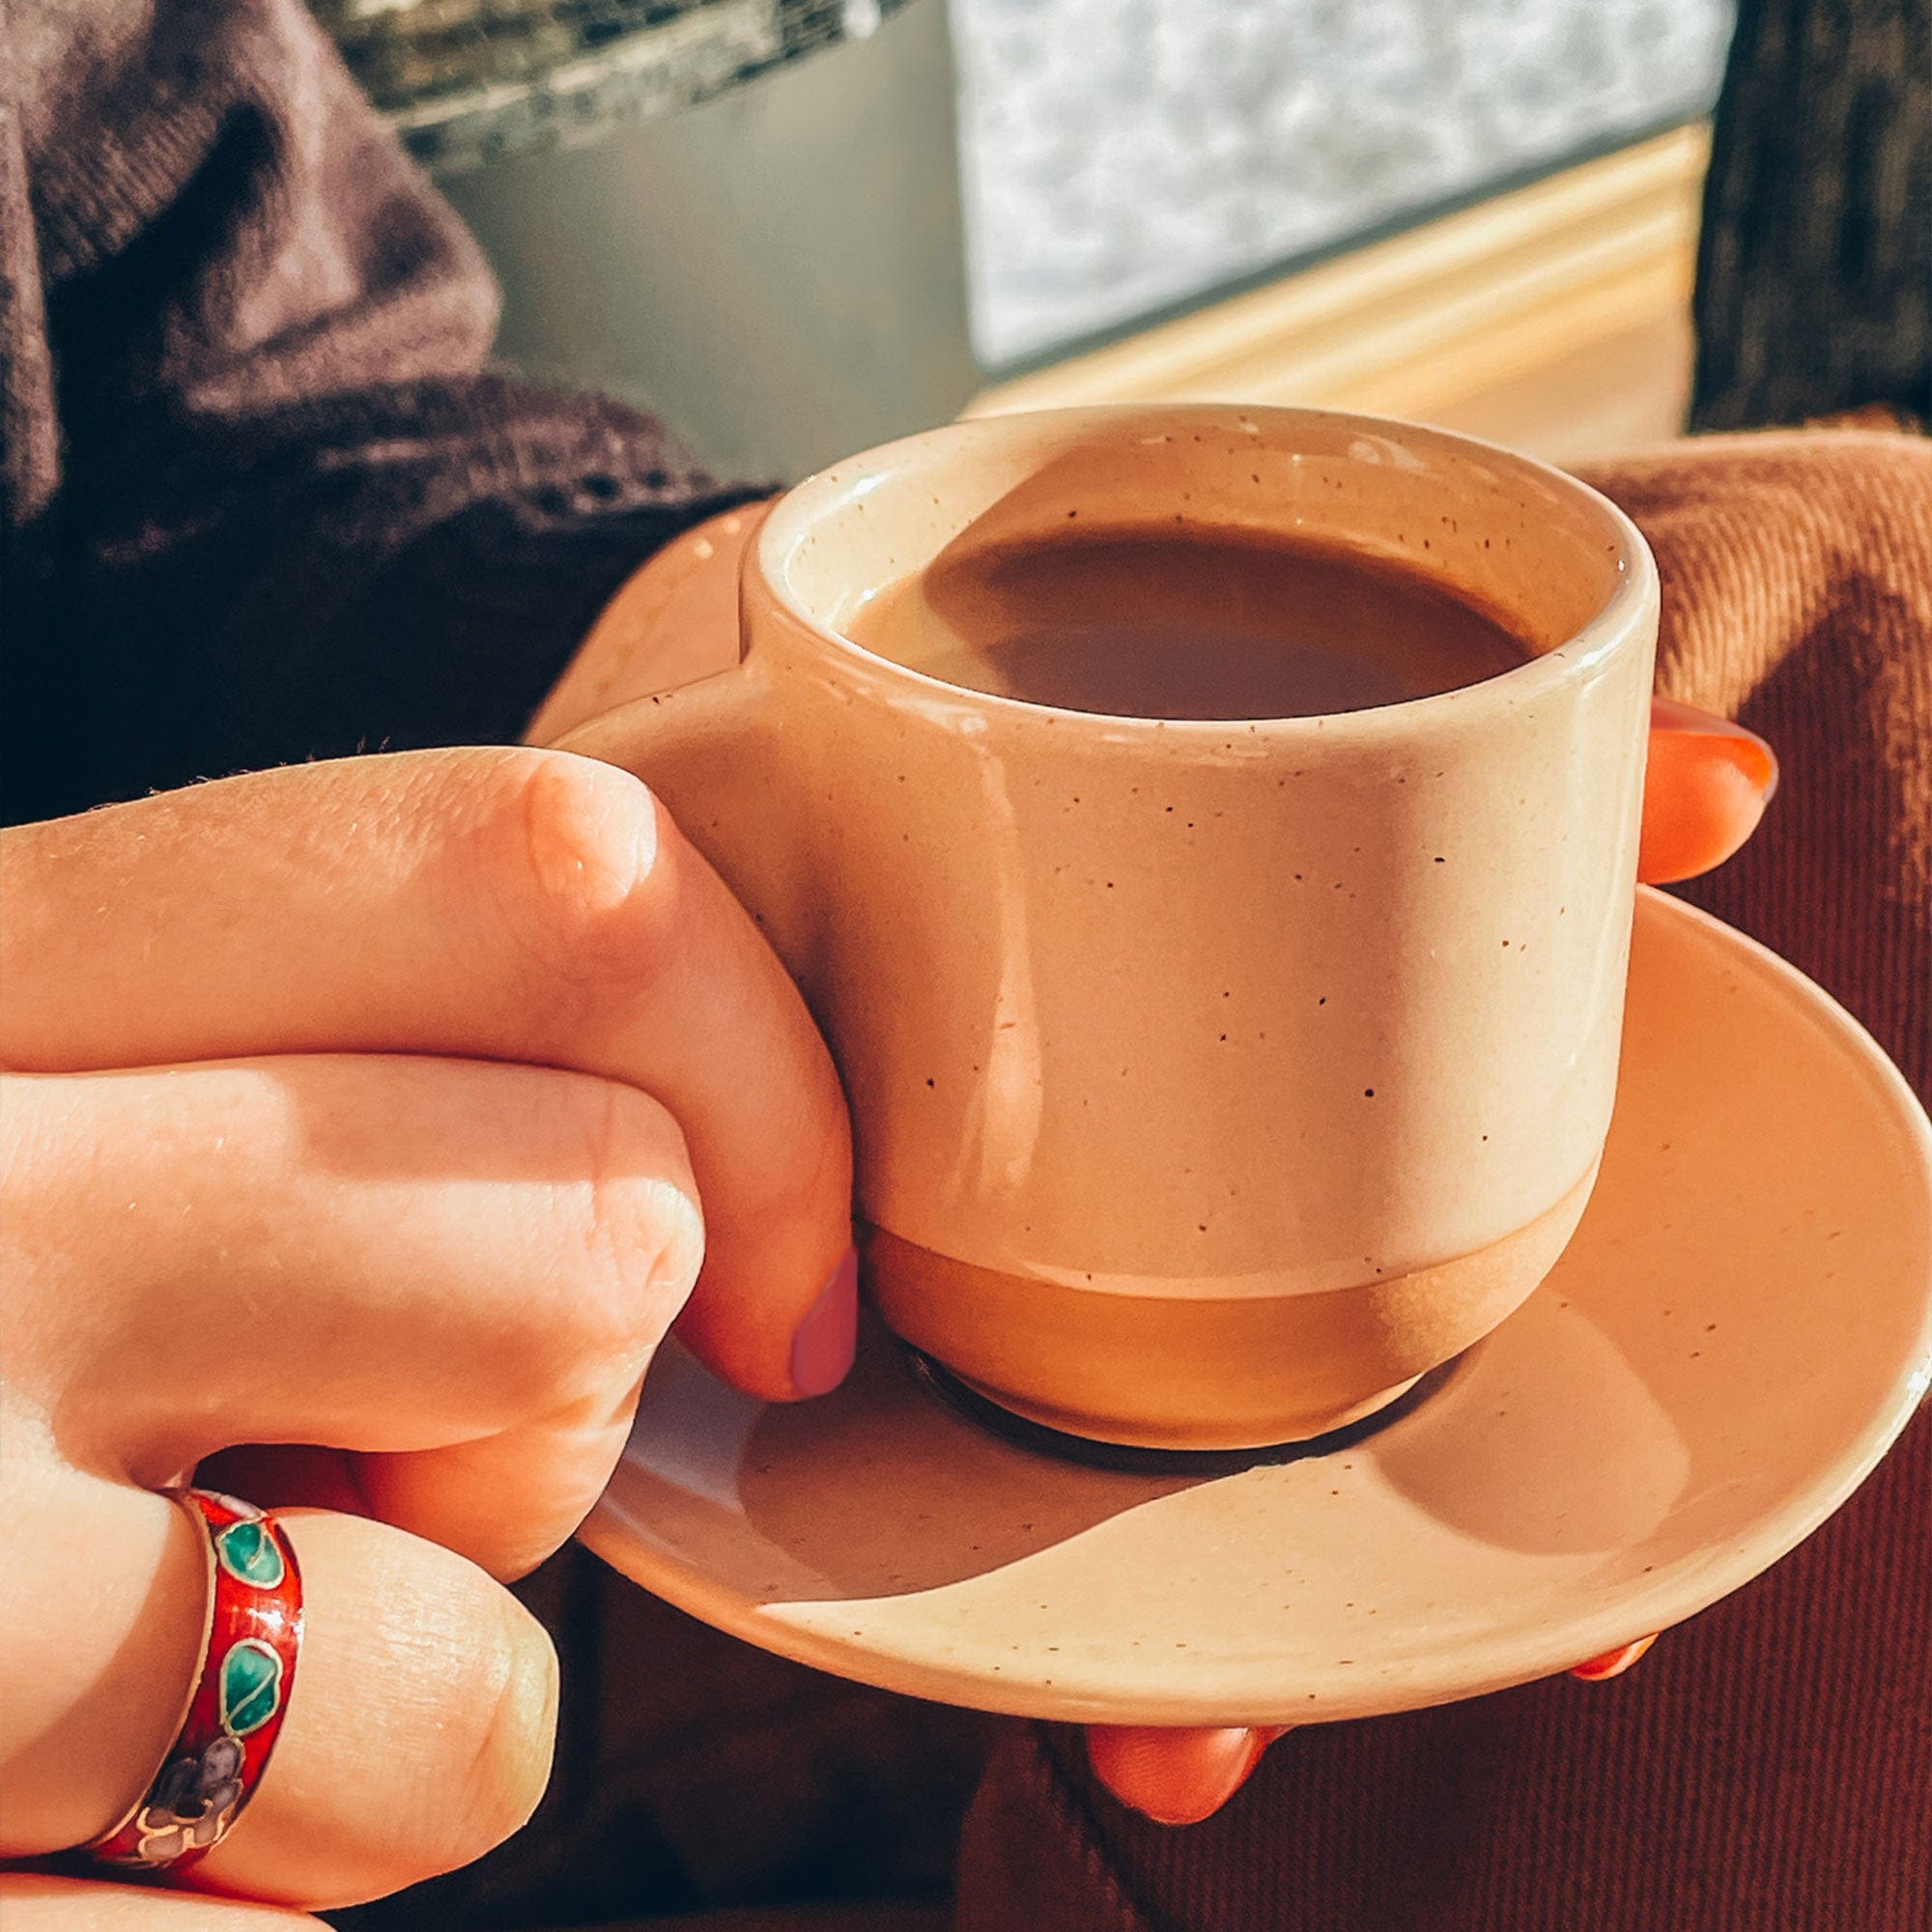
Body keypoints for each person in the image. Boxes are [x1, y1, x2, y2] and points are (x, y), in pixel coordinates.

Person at [1, 6, 1924, 1932]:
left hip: (256, 1093)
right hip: (257, 1423)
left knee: (1857, 626)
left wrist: (672, 698)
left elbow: (204, 370)